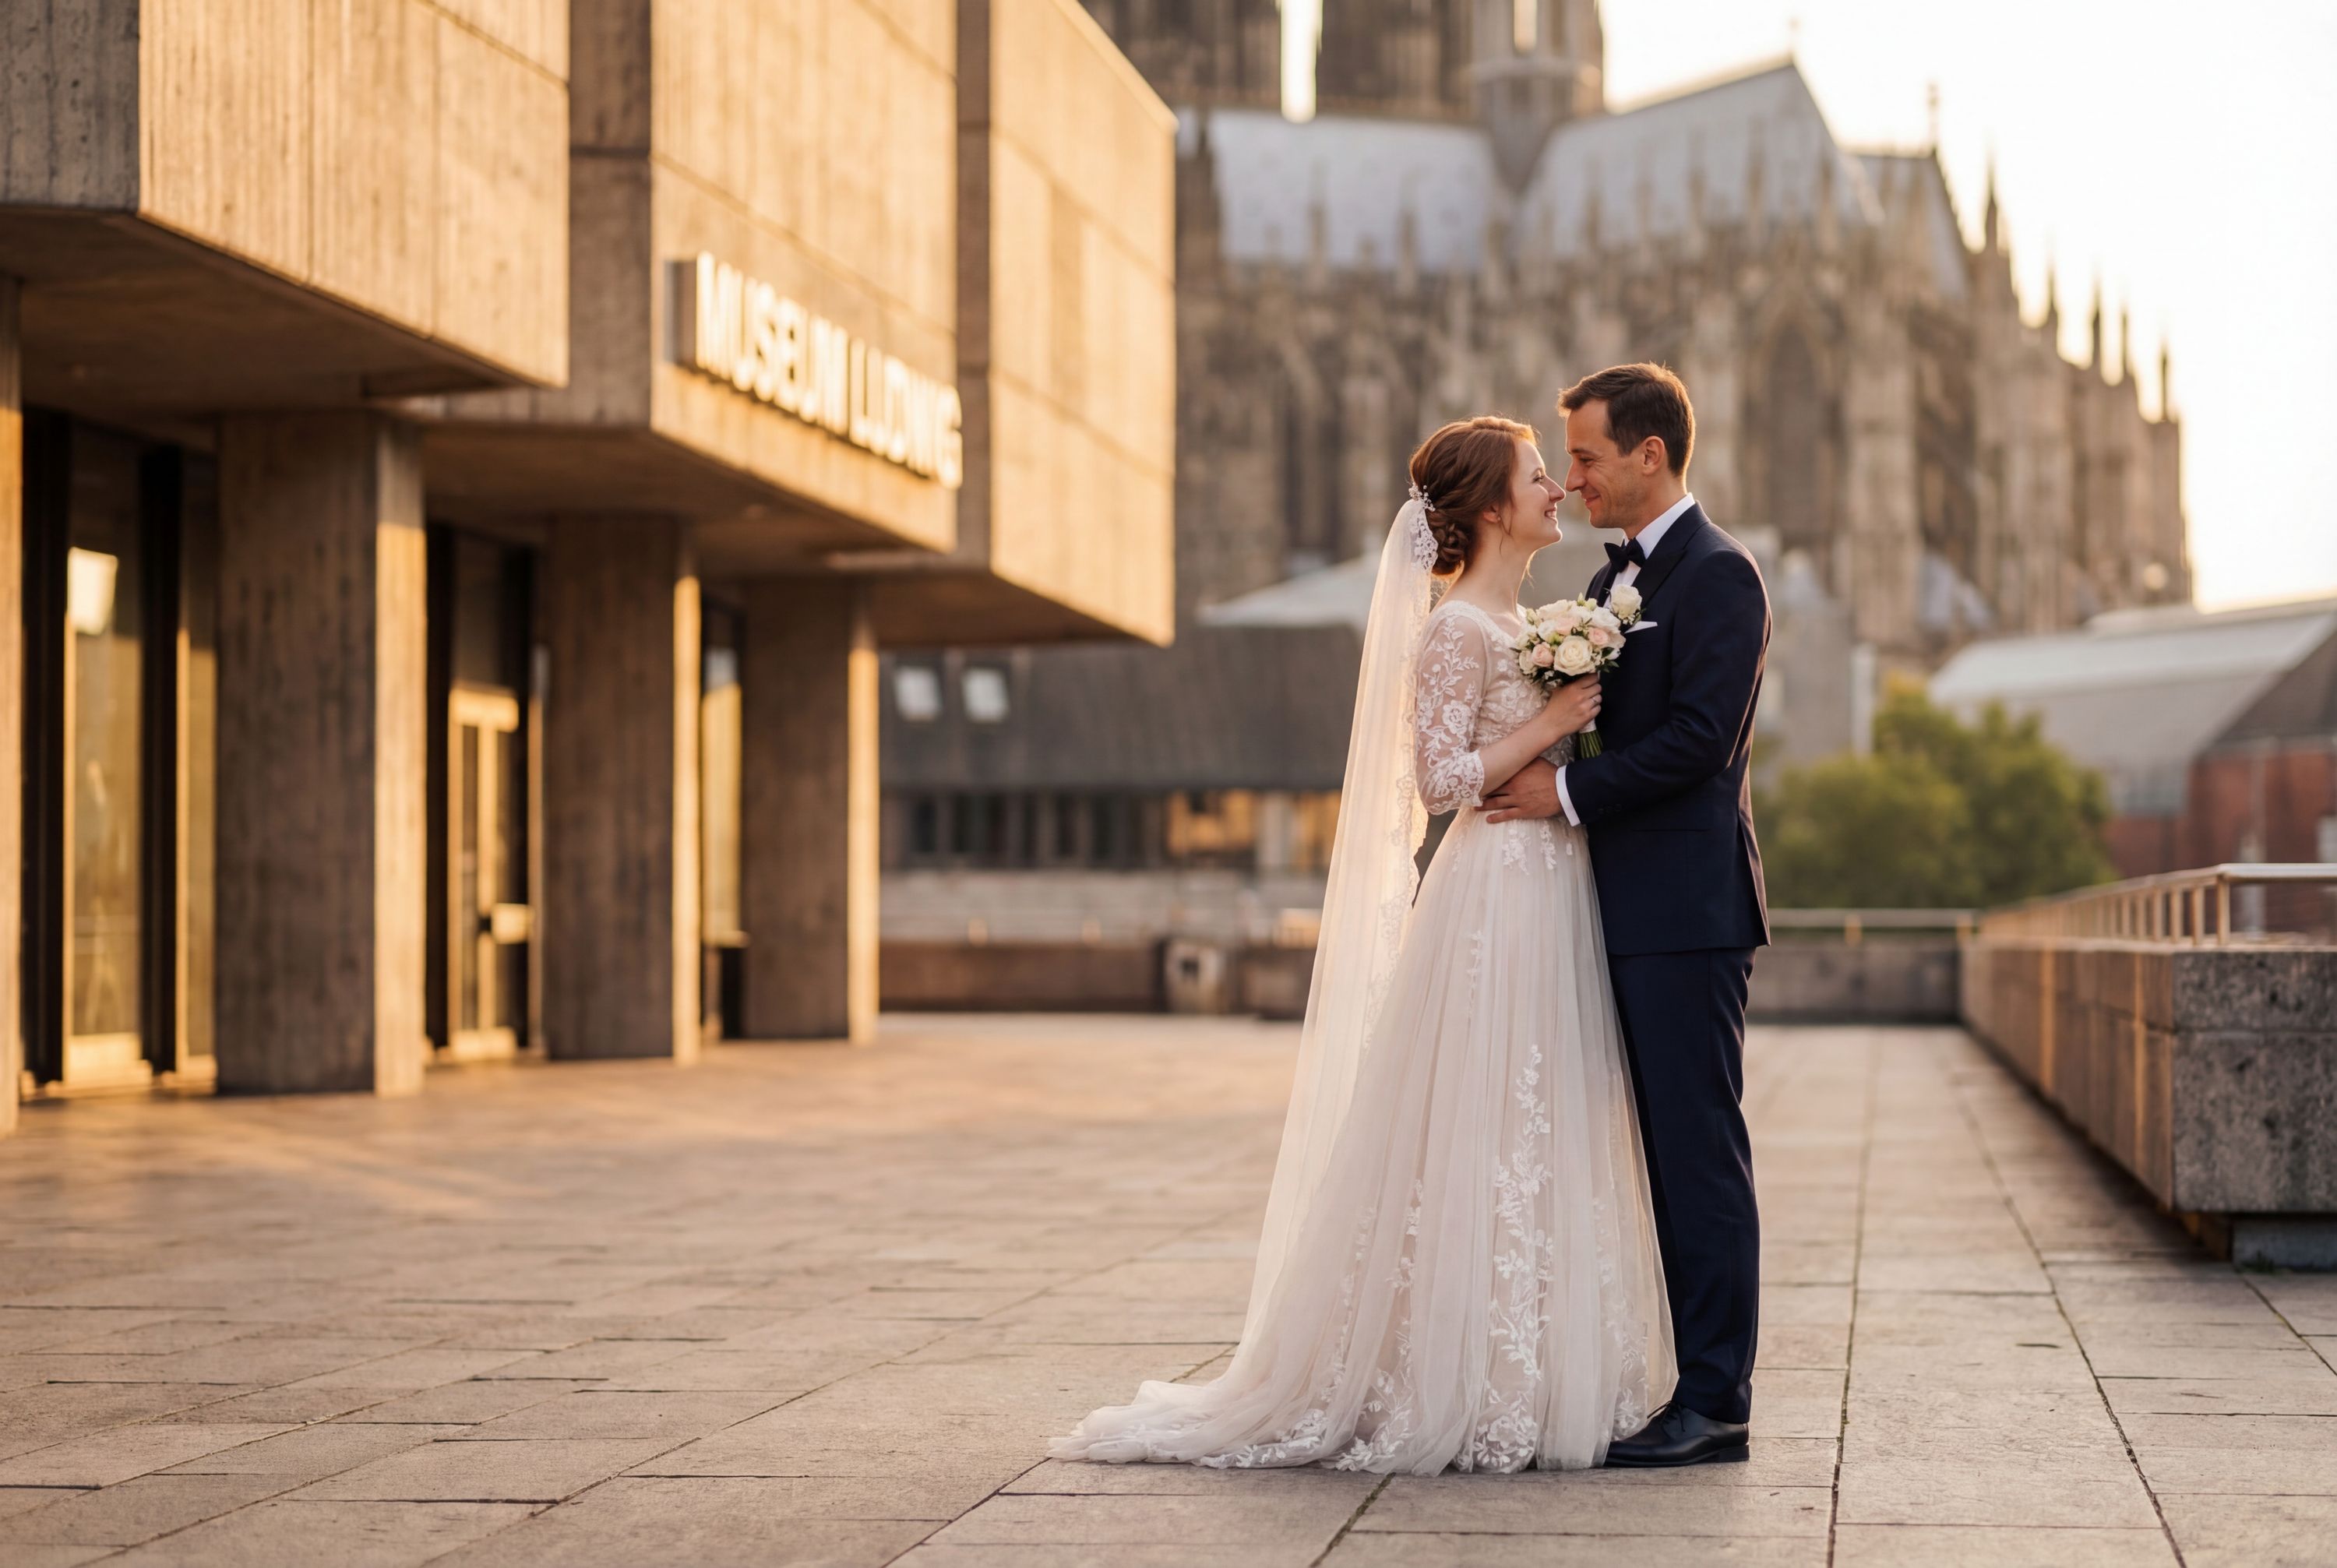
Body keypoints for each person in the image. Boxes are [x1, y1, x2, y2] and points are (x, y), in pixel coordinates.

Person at [1050, 415, 1675, 1473]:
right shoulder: (1453, 629)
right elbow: (1440, 783)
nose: (1556, 488)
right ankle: (1450, 1373)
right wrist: (1554, 717)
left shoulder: (1523, 619)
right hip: (1490, 896)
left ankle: (1531, 1359)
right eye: (1537, 474)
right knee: (1476, 1116)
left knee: (1539, 1116)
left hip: (1549, 889)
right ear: (1490, 508)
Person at [1485, 363, 1771, 1466]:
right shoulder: (1617, 585)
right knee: (1647, 1152)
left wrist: (1558, 793)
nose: (1576, 477)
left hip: (1686, 911)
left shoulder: (1720, 576)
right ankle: (1676, 1381)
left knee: (1697, 1153)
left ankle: (1716, 1402)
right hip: (1617, 907)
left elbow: (1701, 742)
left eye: (1590, 456)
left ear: (1651, 454)